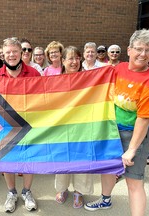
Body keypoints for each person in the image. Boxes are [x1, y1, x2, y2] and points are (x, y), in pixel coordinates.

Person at [84, 29, 149, 216]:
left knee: (134, 180)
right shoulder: (118, 69)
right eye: (139, 49)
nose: (143, 54)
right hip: (112, 130)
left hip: (135, 134)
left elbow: (144, 119)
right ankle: (105, 200)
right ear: (129, 50)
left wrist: (132, 149)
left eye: (148, 50)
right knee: (109, 169)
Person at [0, 37, 40, 213]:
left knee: (29, 159)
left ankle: (27, 192)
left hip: (29, 125)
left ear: (21, 53)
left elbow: (43, 99)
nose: (11, 55)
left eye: (14, 51)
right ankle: (11, 193)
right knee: (7, 160)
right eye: (7, 52)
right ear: (2, 55)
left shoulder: (34, 73)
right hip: (6, 126)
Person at [55, 46, 93, 209]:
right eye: (70, 58)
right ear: (62, 61)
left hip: (83, 126)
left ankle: (79, 191)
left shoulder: (88, 78)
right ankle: (62, 189)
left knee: (82, 157)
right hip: (62, 126)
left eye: (77, 58)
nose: (74, 62)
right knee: (62, 157)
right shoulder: (55, 80)